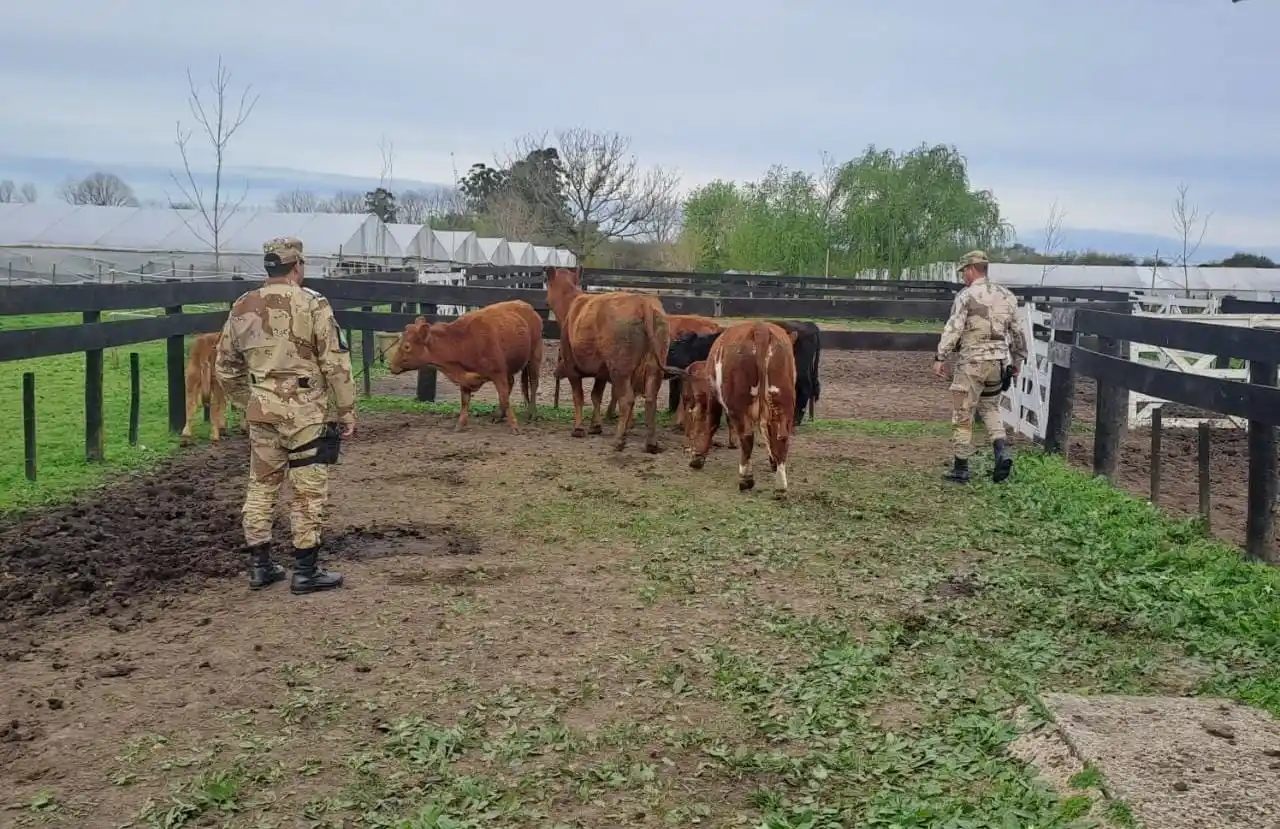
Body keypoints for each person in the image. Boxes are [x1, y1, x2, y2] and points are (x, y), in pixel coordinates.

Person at [214, 236, 357, 594]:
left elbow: (225, 366)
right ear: (297, 266)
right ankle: (306, 570)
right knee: (308, 490)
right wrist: (346, 408)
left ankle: (261, 566)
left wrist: (249, 401)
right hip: (306, 412)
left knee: (261, 486)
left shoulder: (242, 305)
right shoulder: (313, 304)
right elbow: (334, 361)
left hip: (262, 411)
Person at [932, 250, 1028, 484]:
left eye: (964, 271)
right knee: (990, 408)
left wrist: (940, 356)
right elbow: (1018, 333)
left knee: (963, 413)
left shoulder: (967, 296)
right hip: (997, 363)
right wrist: (1016, 361)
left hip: (971, 363)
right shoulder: (1007, 296)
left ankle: (961, 468)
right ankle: (1001, 451)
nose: (963, 276)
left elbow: (954, 328)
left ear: (972, 268)